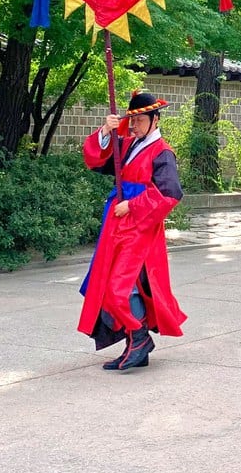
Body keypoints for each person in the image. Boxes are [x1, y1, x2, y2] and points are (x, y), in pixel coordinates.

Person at [79, 90, 187, 372]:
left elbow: (170, 193)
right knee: (113, 286)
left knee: (119, 288)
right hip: (118, 225)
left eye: (141, 120)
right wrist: (106, 129)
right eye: (133, 120)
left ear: (155, 120)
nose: (135, 125)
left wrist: (133, 206)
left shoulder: (162, 152)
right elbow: (96, 161)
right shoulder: (127, 145)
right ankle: (134, 342)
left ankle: (139, 339)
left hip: (140, 227)